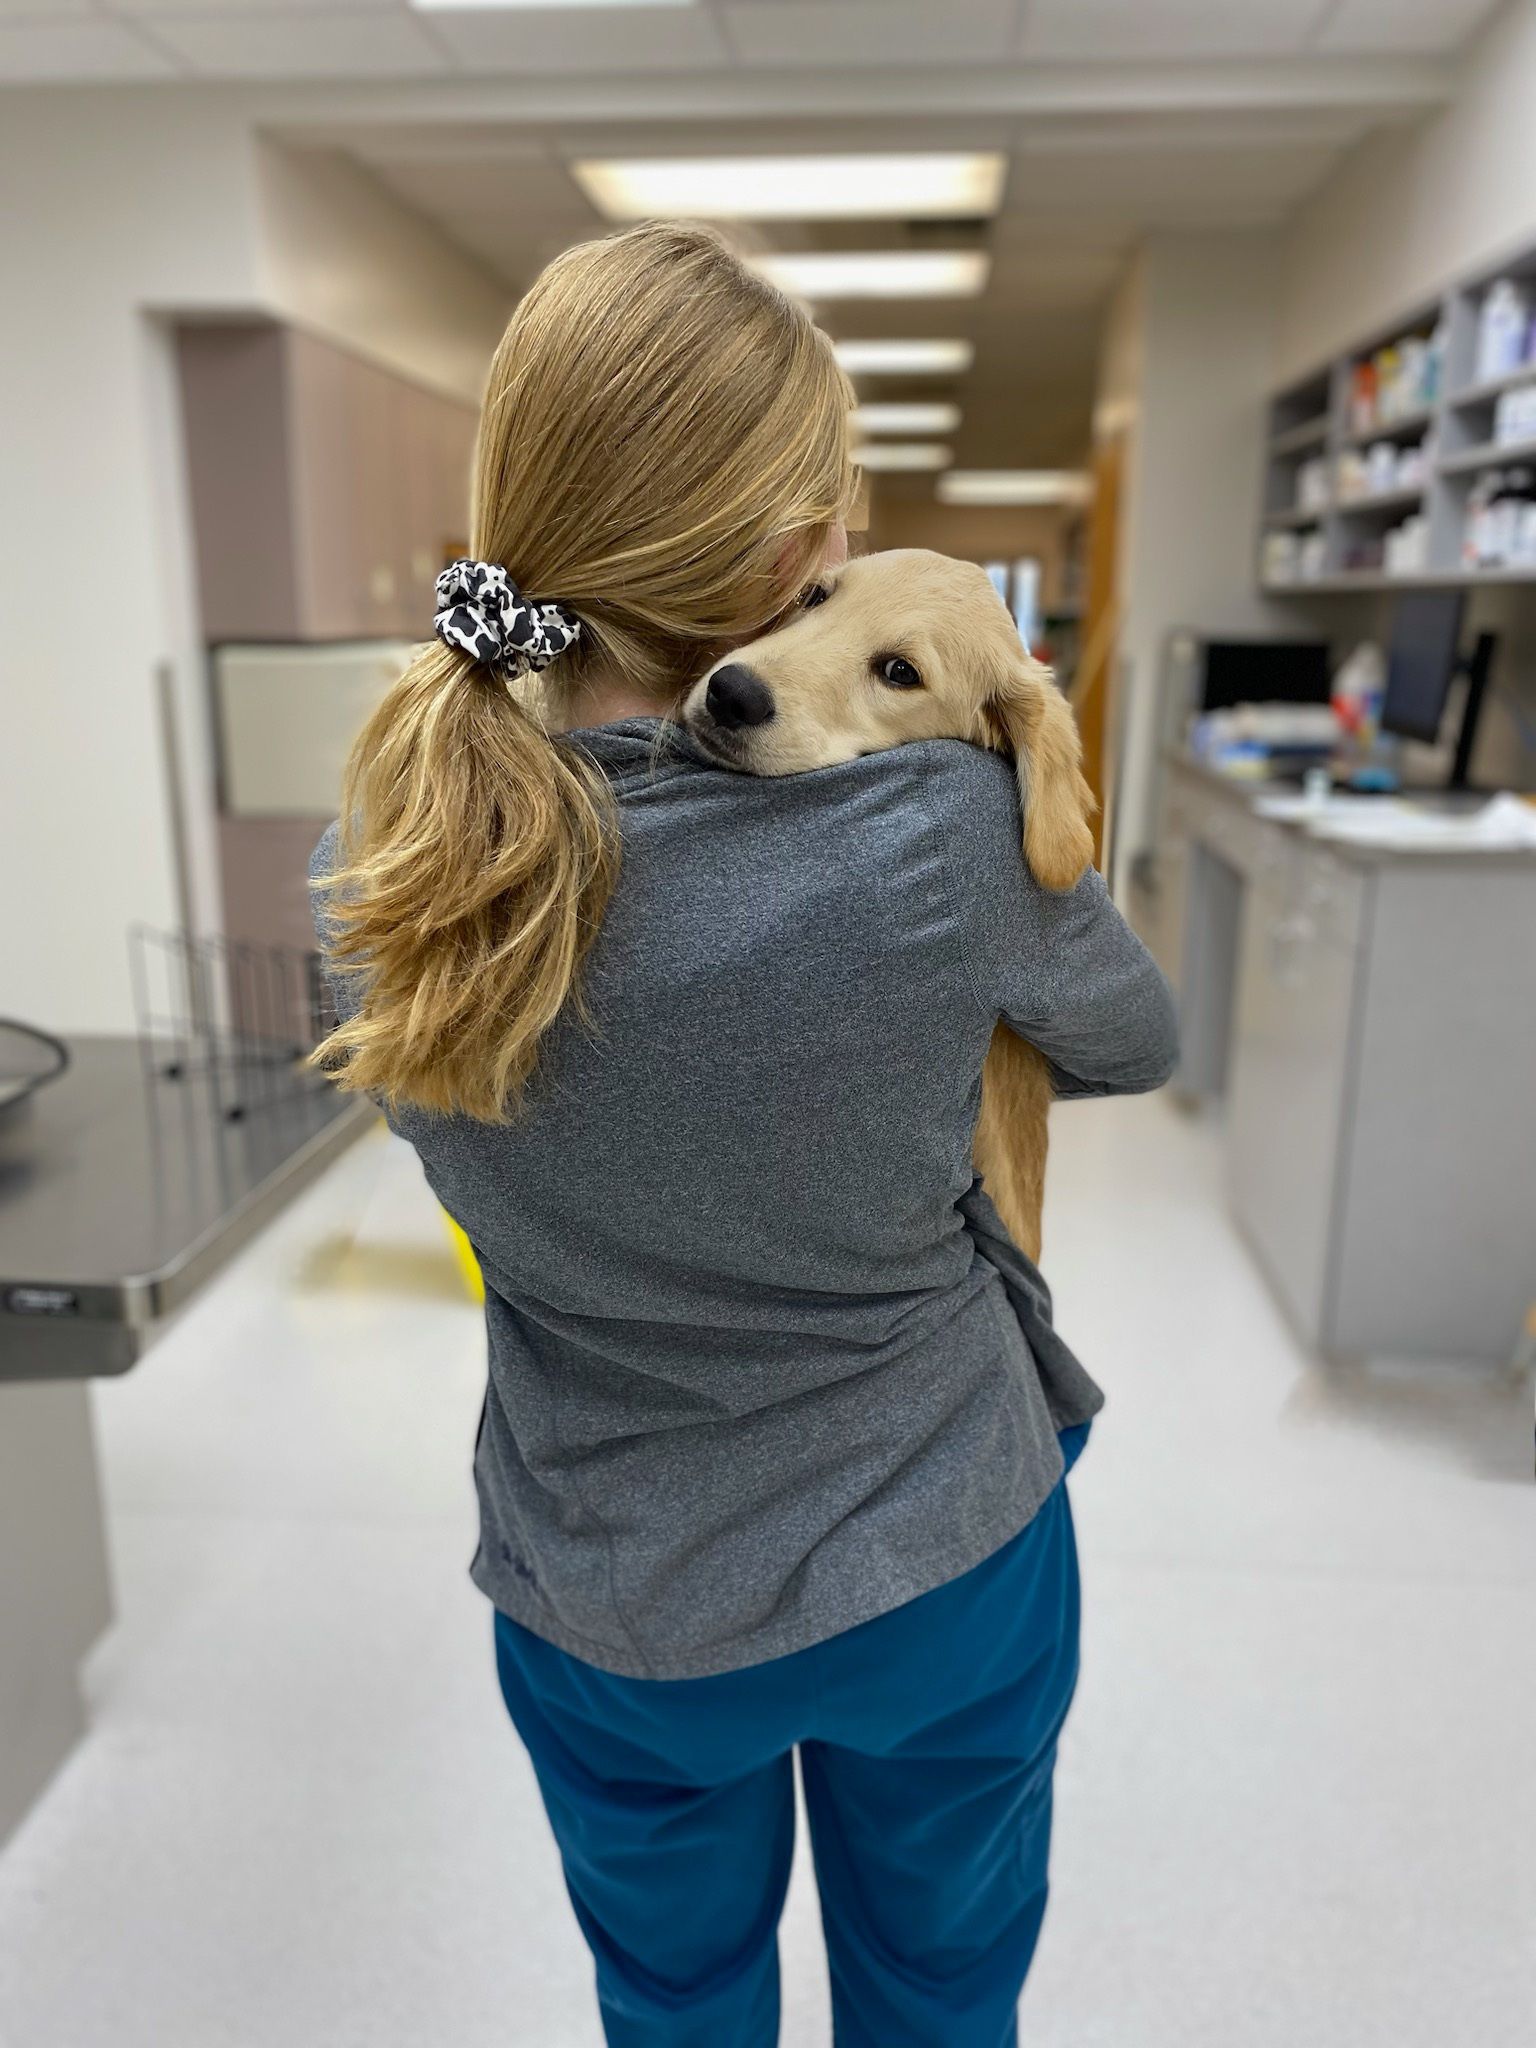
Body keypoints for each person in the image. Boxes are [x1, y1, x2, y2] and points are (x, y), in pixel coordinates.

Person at [311, 220, 1177, 2048]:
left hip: (608, 1590)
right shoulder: (944, 837)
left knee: (676, 1998)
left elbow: (474, 1121)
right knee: (939, 1991)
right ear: (799, 553)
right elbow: (1132, 1040)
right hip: (938, 1547)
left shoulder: (394, 875)